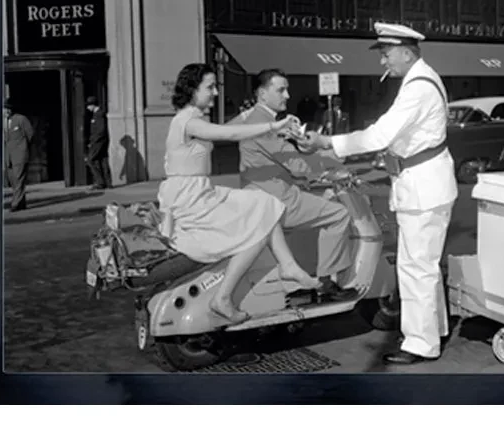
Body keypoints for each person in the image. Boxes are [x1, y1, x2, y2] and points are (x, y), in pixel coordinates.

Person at [299, 23, 457, 365]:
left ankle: (420, 343)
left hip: (423, 186)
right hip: (424, 182)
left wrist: (328, 142)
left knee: (416, 267)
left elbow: (378, 136)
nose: (383, 61)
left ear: (406, 52)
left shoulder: (418, 87)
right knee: (424, 265)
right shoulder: (421, 79)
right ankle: (433, 331)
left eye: (386, 53)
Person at [158, 63, 318, 325]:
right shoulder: (187, 121)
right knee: (255, 223)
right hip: (191, 198)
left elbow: (224, 130)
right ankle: (223, 297)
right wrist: (273, 125)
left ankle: (288, 266)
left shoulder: (194, 120)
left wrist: (252, 116)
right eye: (210, 87)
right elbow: (229, 133)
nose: (215, 93)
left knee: (264, 204)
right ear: (192, 89)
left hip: (197, 192)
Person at [238, 69, 357, 303]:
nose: (287, 95)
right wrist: (332, 162)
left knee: (314, 209)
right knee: (338, 215)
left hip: (264, 193)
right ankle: (326, 281)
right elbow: (296, 163)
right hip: (278, 197)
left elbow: (286, 156)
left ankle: (296, 281)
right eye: (281, 90)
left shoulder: (261, 121)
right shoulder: (263, 124)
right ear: (262, 94)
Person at [4, 99, 34, 212]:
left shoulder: (21, 119)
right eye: (4, 109)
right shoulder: (3, 122)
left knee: (19, 178)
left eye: (8, 109)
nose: (6, 111)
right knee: (13, 180)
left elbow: (30, 134)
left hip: (20, 154)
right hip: (9, 156)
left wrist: (23, 147)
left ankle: (15, 203)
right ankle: (21, 203)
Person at [85, 96, 111, 189]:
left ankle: (100, 182)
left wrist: (93, 142)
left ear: (93, 105)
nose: (87, 108)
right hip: (101, 141)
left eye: (88, 105)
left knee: (90, 160)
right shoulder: (98, 114)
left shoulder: (99, 114)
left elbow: (101, 130)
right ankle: (108, 182)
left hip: (98, 142)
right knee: (103, 160)